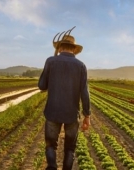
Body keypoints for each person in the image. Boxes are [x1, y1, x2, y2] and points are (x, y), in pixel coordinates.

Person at [38, 28, 91, 170]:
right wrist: (87, 115)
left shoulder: (51, 61)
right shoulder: (81, 66)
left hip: (52, 112)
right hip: (72, 114)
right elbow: (84, 92)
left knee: (50, 146)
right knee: (70, 149)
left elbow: (41, 85)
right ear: (73, 49)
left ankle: (52, 167)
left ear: (60, 47)